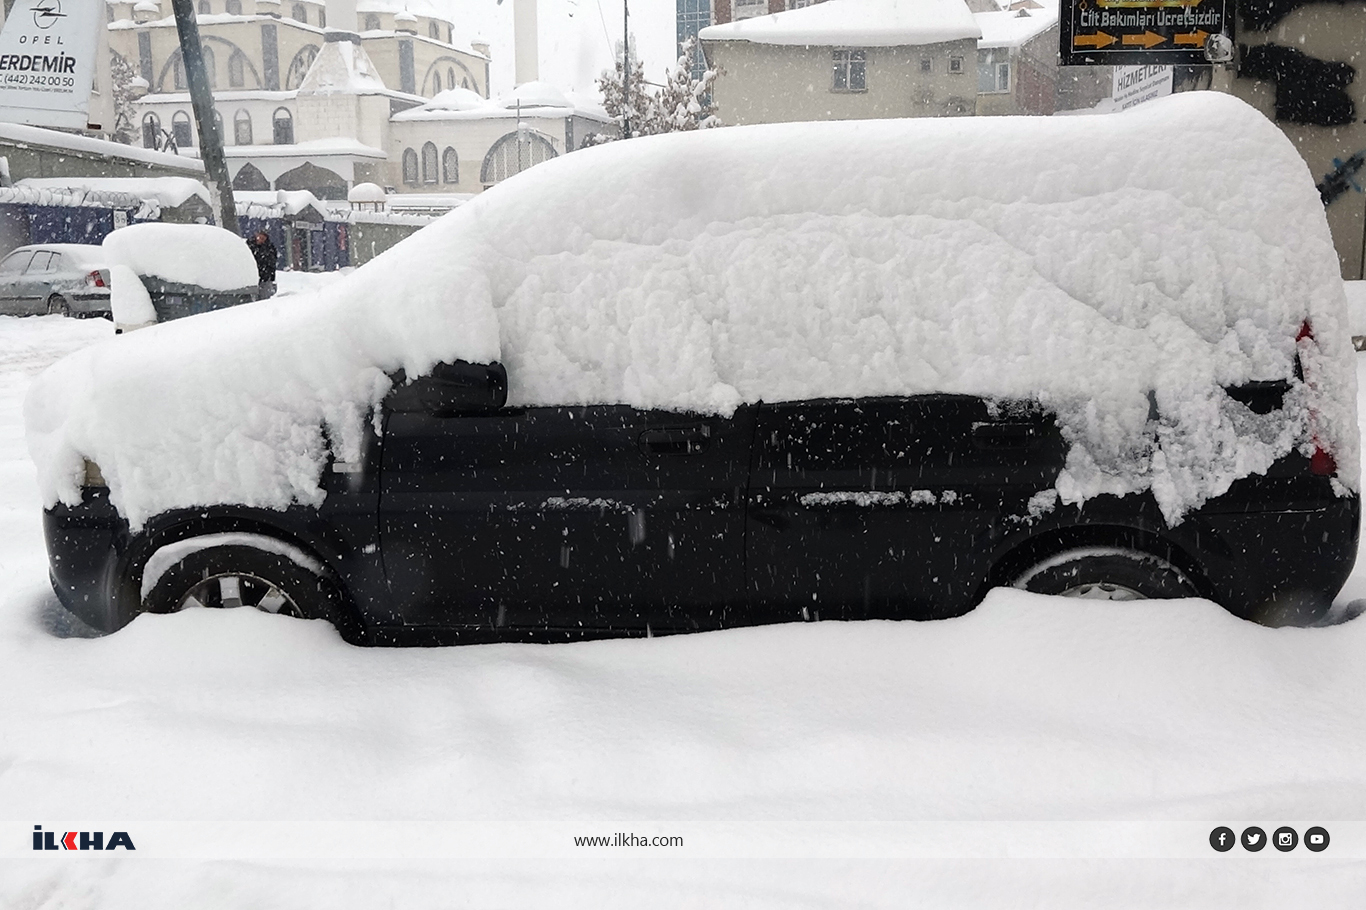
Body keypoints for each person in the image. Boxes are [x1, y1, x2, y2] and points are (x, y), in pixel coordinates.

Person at [247, 230, 277, 299]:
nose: (260, 240)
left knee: (264, 298)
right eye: (259, 237)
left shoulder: (269, 248)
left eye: (263, 238)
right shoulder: (250, 245)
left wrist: (271, 276)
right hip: (252, 276)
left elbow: (272, 263)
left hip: (264, 277)